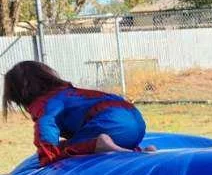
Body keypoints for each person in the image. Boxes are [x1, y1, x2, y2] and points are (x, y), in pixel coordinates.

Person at [2, 61, 150, 165]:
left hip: (110, 122)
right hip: (135, 120)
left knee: (62, 149)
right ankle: (138, 151)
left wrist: (47, 155)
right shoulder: (68, 93)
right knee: (79, 140)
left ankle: (100, 144)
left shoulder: (44, 102)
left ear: (20, 95)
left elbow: (46, 125)